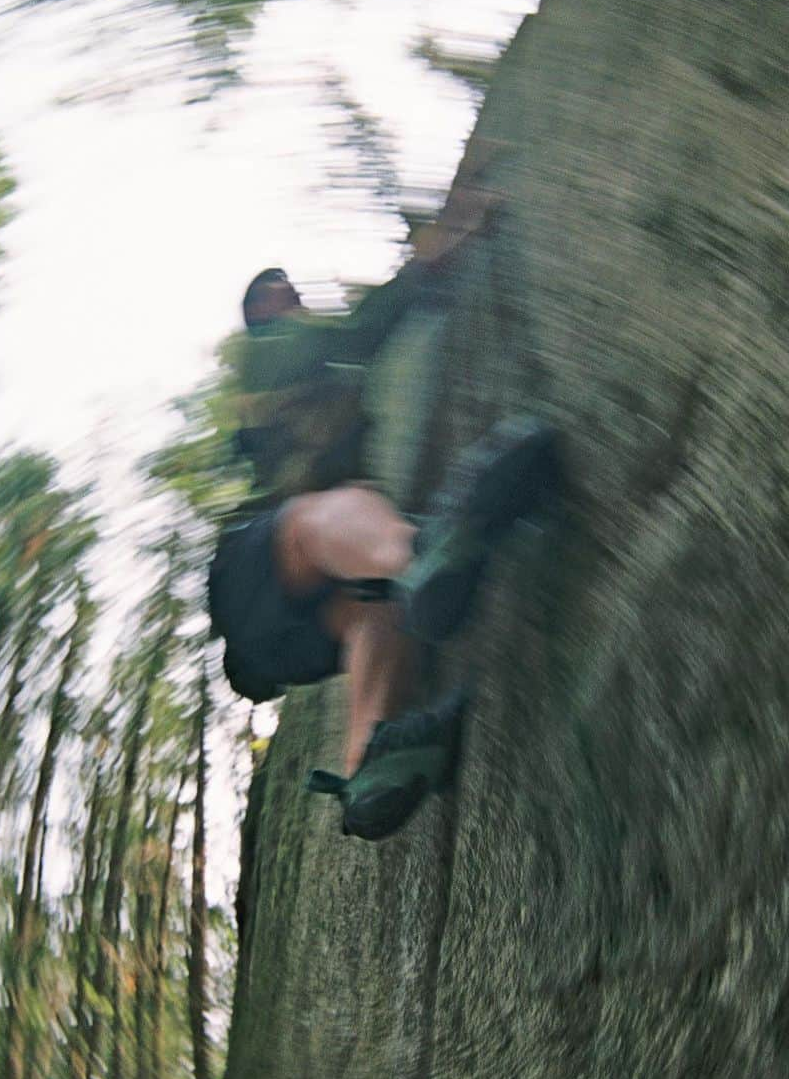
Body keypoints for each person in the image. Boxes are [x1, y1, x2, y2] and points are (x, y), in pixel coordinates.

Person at [209, 229, 562, 841]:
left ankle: (368, 768)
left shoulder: (304, 384)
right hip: (258, 565)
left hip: (298, 641)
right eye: (276, 291)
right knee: (341, 517)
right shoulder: (264, 350)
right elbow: (356, 336)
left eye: (287, 287)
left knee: (377, 614)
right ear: (258, 312)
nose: (290, 294)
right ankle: (417, 556)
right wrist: (424, 271)